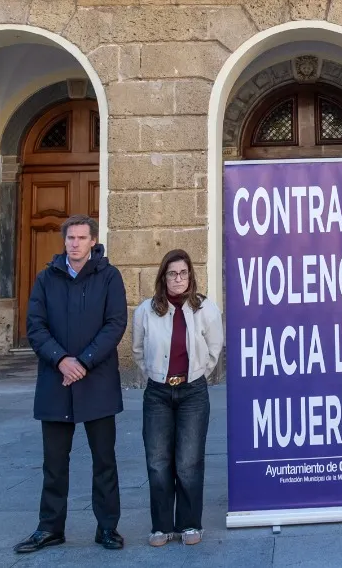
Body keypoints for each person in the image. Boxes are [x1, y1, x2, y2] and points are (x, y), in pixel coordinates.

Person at [14, 215, 128, 554]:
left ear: (93, 241)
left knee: (104, 461)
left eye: (81, 238)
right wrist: (62, 360)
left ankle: (107, 528)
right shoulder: (46, 278)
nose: (74, 243)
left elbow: (115, 324)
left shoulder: (109, 277)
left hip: (98, 381)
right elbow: (35, 325)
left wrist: (84, 361)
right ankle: (50, 528)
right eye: (70, 238)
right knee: (54, 463)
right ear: (64, 241)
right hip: (56, 381)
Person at [131, 249, 223, 547]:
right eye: (172, 273)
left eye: (183, 273)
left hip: (193, 392)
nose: (178, 278)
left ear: (191, 276)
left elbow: (215, 347)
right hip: (157, 392)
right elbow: (137, 350)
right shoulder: (146, 310)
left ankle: (189, 524)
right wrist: (154, 374)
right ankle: (161, 526)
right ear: (163, 277)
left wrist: (198, 373)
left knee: (189, 461)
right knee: (158, 461)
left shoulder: (205, 309)